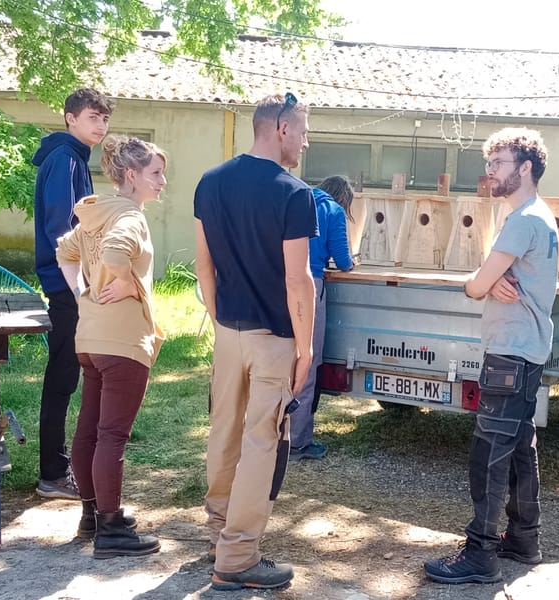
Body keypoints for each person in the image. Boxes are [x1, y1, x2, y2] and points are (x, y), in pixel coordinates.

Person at [424, 128, 559, 584]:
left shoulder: (524, 219)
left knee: (489, 454)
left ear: (525, 168)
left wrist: (479, 283)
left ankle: (480, 554)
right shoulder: (535, 216)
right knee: (520, 448)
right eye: (489, 163)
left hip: (510, 354)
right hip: (527, 352)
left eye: (498, 163)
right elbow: (490, 276)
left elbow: (477, 284)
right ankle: (524, 538)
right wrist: (488, 278)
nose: (490, 172)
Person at [194, 92, 317, 590]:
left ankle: (218, 533)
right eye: (304, 131)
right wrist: (305, 347)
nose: (306, 142)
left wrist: (218, 314)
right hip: (275, 337)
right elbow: (298, 280)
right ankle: (238, 556)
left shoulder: (210, 181)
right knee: (261, 440)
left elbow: (204, 266)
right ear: (282, 129)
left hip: (229, 331)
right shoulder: (293, 191)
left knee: (223, 431)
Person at [56, 135, 166, 558]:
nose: (162, 181)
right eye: (156, 173)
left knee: (89, 430)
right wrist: (123, 282)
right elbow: (119, 252)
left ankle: (92, 514)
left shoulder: (94, 214)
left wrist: (85, 288)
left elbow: (64, 251)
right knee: (112, 435)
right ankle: (112, 529)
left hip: (90, 338)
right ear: (132, 175)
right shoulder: (130, 217)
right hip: (122, 341)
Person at [33, 88, 115, 500]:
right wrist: (80, 286)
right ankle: (52, 473)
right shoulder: (65, 159)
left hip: (69, 280)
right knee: (63, 375)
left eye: (104, 118)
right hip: (66, 283)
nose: (99, 125)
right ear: (70, 118)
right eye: (92, 117)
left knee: (66, 373)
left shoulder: (72, 156)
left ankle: (57, 465)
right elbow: (61, 230)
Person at [290, 175, 355, 460]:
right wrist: (352, 262)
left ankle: (271, 434)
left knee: (282, 359)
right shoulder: (333, 211)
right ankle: (298, 441)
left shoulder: (296, 201)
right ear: (343, 198)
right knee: (308, 359)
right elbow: (342, 260)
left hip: (279, 282)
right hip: (309, 285)